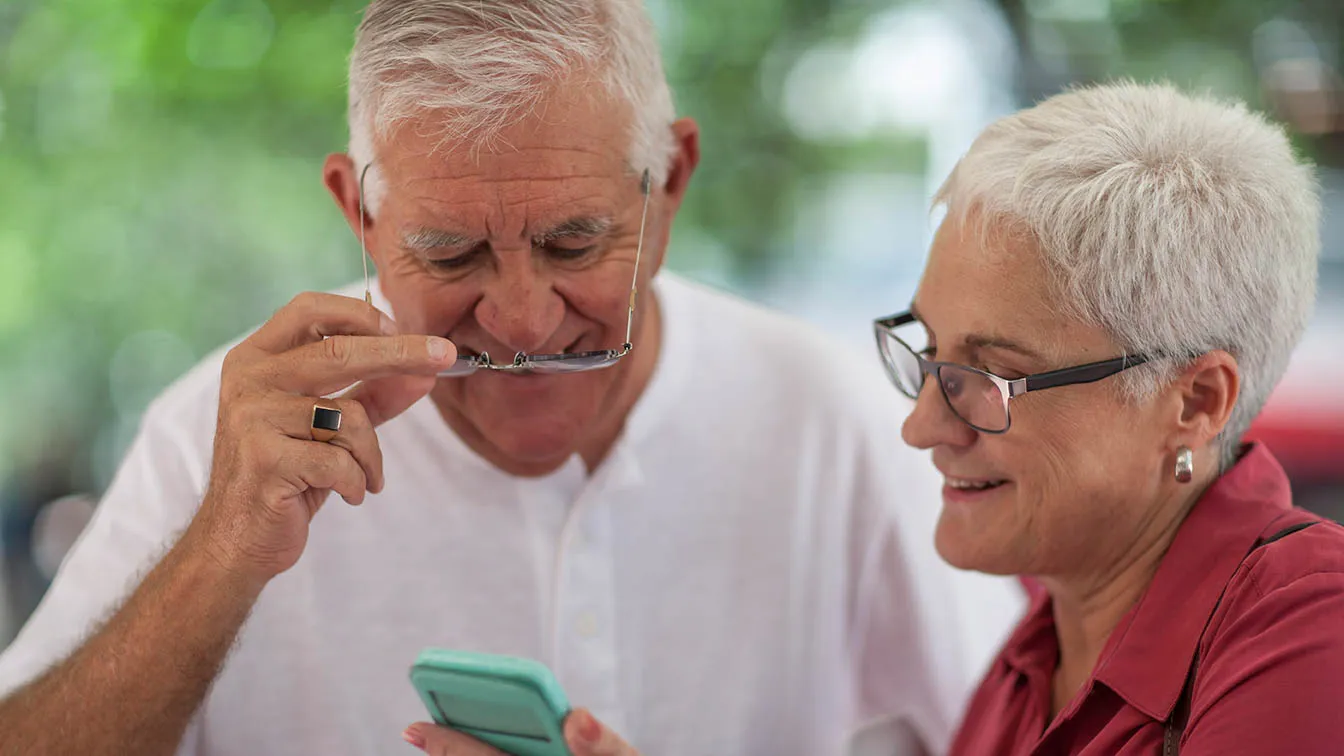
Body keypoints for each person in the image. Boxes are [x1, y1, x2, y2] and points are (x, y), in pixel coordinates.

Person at [0, 2, 1023, 754]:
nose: (522, 319)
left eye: (577, 243)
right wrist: (218, 552)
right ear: (358, 212)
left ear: (669, 187)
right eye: (448, 256)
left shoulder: (825, 417)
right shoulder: (220, 439)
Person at [868, 81, 1344, 754]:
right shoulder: (1037, 647)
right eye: (931, 351)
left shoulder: (1311, 634)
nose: (922, 426)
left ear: (1196, 402)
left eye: (995, 373)